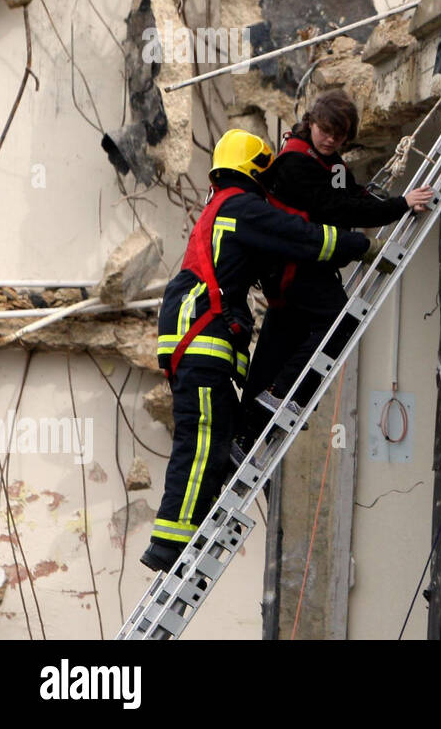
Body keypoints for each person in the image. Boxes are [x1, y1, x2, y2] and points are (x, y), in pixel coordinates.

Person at [142, 129, 377, 573]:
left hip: (193, 339)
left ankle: (184, 530)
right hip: (202, 337)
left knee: (219, 434)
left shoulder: (221, 208)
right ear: (256, 171)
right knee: (204, 439)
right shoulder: (242, 207)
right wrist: (359, 244)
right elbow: (303, 236)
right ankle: (171, 542)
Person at [236, 90, 433, 454]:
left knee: (275, 352)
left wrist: (388, 203)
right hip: (296, 269)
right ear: (311, 123)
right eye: (325, 131)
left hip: (298, 270)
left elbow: (351, 195)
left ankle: (244, 435)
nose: (330, 140)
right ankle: (281, 395)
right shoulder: (295, 164)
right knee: (341, 322)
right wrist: (399, 205)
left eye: (339, 136)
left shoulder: (328, 162)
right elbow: (340, 209)